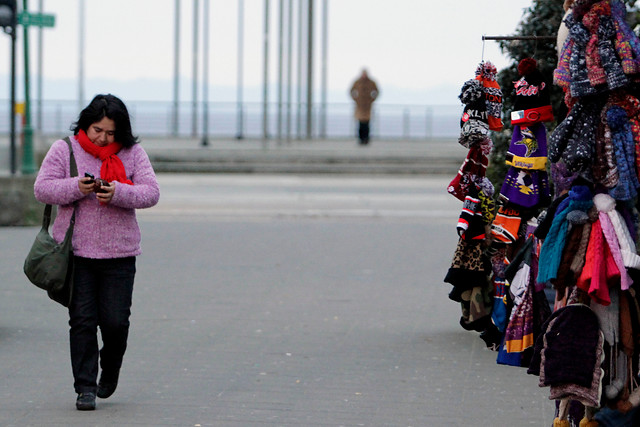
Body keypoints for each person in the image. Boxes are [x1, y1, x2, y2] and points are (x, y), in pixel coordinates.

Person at [34, 94, 160, 411]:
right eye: (97, 130)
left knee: (116, 324)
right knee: (82, 322)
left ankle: (111, 368)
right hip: (76, 254)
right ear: (86, 124)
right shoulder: (64, 149)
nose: (103, 138)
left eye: (110, 132)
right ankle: (85, 388)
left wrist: (118, 192)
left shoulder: (132, 153)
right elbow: (42, 188)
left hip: (120, 254)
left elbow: (151, 193)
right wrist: (77, 186)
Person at [350, 68, 379, 145]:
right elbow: (351, 91)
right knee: (360, 123)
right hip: (359, 105)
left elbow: (377, 91)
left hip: (367, 105)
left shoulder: (371, 82)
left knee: (367, 123)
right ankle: (361, 139)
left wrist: (372, 99)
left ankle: (366, 138)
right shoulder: (357, 82)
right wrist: (356, 99)